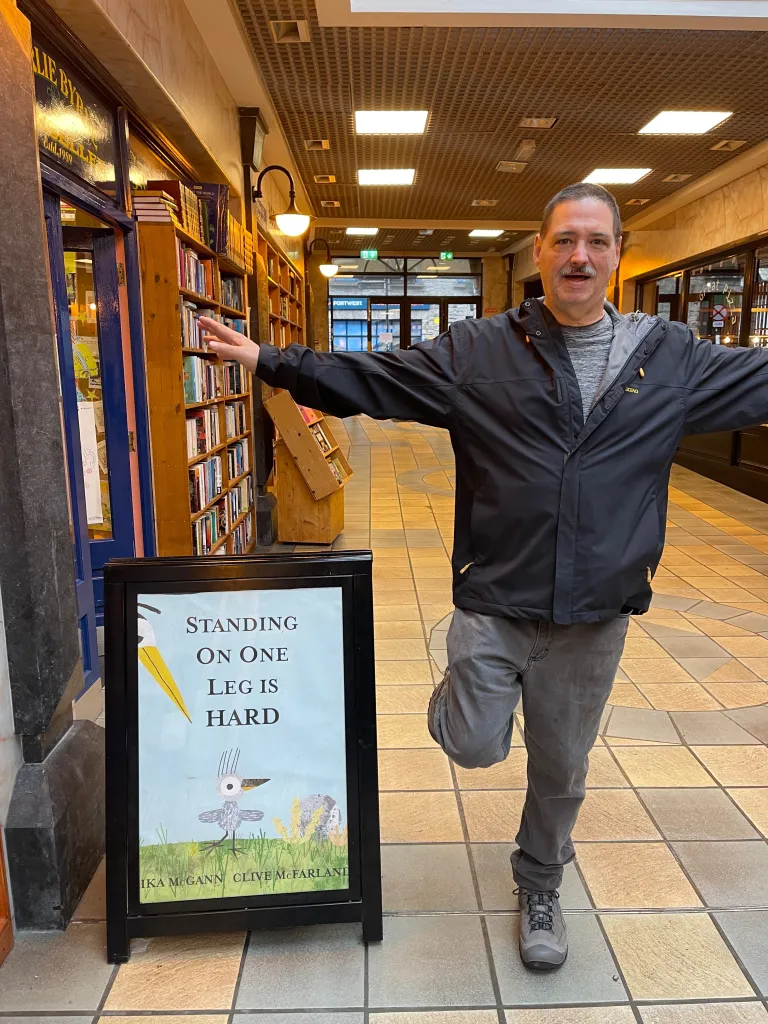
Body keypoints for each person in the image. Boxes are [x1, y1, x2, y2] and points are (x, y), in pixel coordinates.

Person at [199, 182, 768, 971]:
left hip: (595, 611)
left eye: (596, 242)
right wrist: (273, 361)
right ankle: (460, 699)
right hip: (497, 593)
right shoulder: (481, 350)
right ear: (539, 252)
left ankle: (540, 883)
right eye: (565, 240)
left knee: (561, 768)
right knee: (472, 745)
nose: (579, 256)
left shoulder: (671, 358)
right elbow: (378, 378)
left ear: (617, 254)